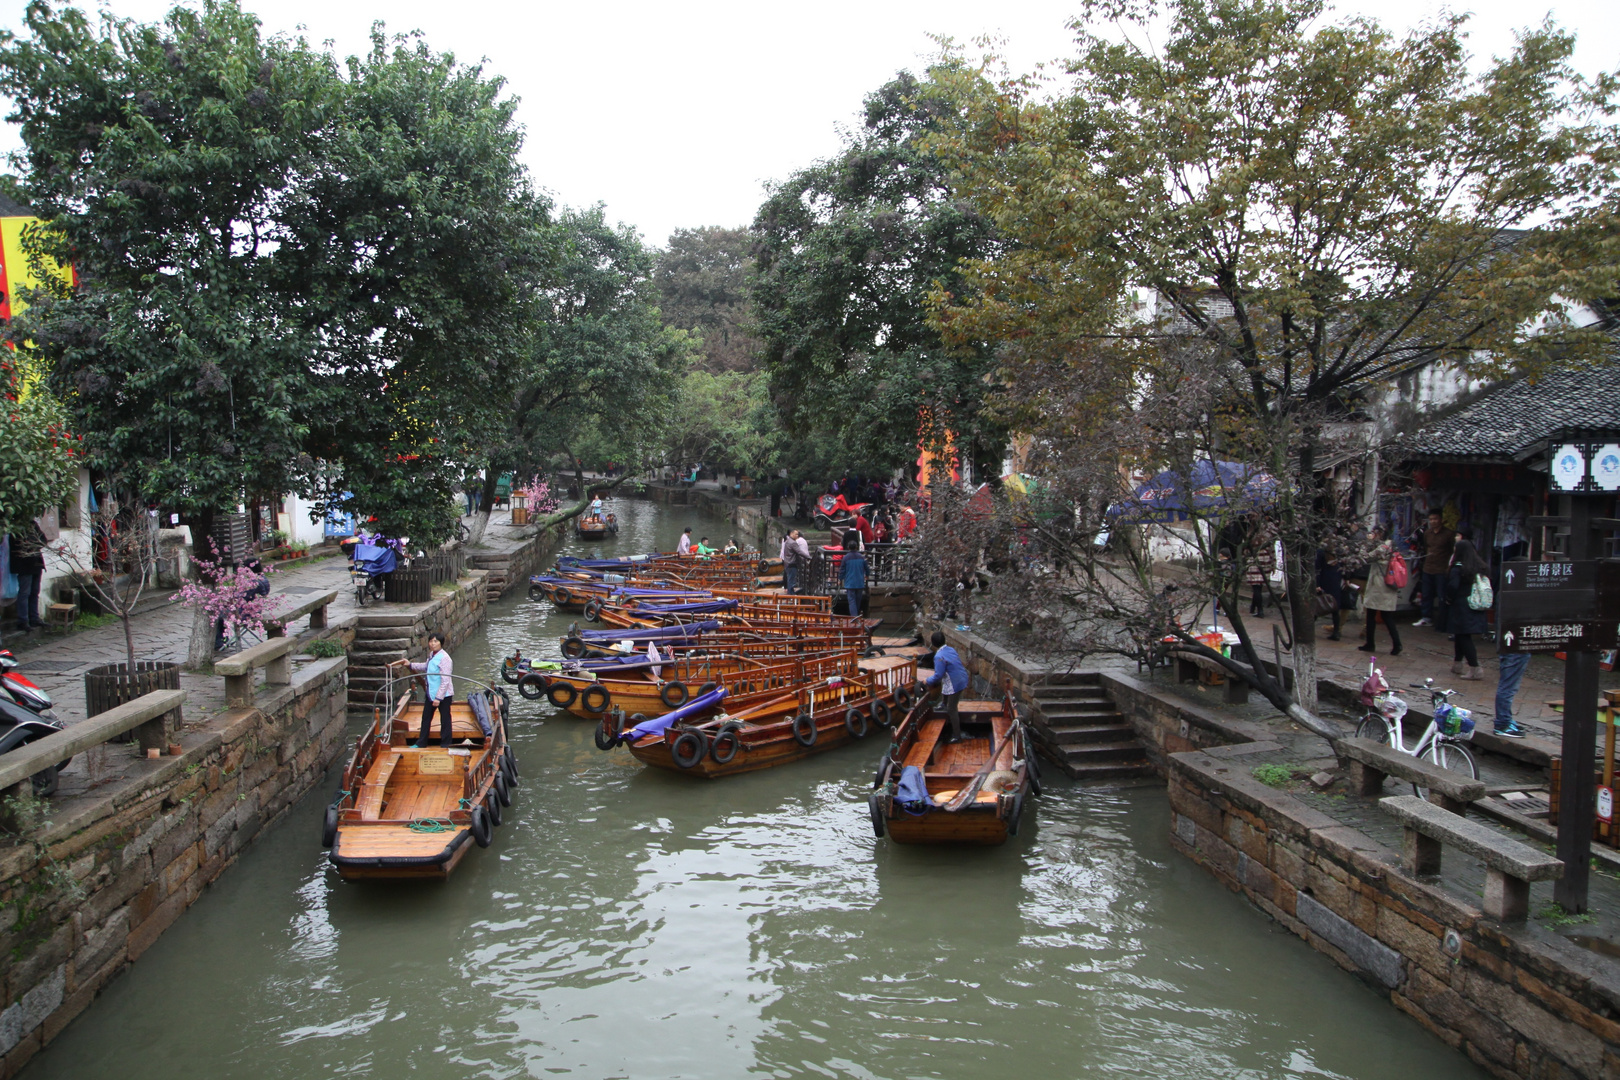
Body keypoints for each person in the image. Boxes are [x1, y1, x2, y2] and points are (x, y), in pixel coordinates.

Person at [1445, 538, 1490, 680]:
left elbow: (1453, 586)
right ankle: (1457, 664)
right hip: (1475, 605)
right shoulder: (1479, 566)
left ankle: (1475, 668)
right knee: (1460, 635)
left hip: (1461, 606)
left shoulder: (1458, 567)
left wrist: (1448, 598)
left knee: (1464, 636)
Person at [1357, 527, 1403, 656]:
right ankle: (1370, 643)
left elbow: (1364, 557)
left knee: (1385, 616)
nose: (1373, 535)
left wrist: (1366, 544)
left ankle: (1396, 644)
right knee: (1372, 614)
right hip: (1381, 586)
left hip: (1380, 586)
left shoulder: (1384, 547)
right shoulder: (1389, 546)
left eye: (1375, 533)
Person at [408, 631, 455, 748]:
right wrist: (410, 665)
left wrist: (439, 697)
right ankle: (421, 742)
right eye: (431, 641)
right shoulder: (432, 655)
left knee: (445, 719)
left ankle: (446, 743)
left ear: (441, 643)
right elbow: (426, 666)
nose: (432, 644)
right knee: (426, 717)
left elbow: (445, 680)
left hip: (444, 695)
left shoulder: (445, 658)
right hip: (431, 692)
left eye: (435, 641)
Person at [923, 629, 969, 743]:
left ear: (933, 643)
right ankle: (943, 703)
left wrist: (927, 681)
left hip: (956, 683)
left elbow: (938, 676)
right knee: (945, 683)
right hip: (962, 677)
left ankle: (957, 736)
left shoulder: (938, 657)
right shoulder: (951, 649)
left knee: (952, 709)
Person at [1411, 510, 1453, 627]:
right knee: (1426, 594)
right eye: (1431, 519)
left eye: (1435, 519)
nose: (1433, 521)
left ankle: (1443, 619)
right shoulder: (1427, 533)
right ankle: (1426, 617)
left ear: (1441, 520)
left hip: (1442, 569)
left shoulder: (1448, 534)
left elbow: (1451, 550)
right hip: (1428, 568)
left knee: (1442, 595)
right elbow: (1425, 548)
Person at [7, 522, 47, 632]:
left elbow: (43, 540)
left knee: (35, 592)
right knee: (24, 593)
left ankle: (34, 618)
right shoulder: (14, 529)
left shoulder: (32, 524)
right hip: (24, 566)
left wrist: (33, 545)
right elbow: (16, 547)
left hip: (36, 563)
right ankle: (23, 621)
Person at [1314, 547, 1344, 641]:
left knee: (1317, 604)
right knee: (1335, 607)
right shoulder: (1340, 549)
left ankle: (1308, 628)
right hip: (1336, 580)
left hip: (1325, 579)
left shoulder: (1321, 551)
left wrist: (1317, 584)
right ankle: (1336, 632)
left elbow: (1317, 568)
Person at [841, 531, 868, 617]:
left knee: (851, 601)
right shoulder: (862, 557)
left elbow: (842, 570)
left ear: (848, 547)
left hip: (850, 582)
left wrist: (840, 579)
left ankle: (854, 617)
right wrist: (867, 574)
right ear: (856, 547)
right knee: (858, 600)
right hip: (859, 582)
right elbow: (867, 568)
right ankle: (857, 615)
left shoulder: (846, 558)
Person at [780, 529, 810, 594]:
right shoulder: (793, 543)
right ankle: (791, 593)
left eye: (797, 534)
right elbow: (799, 551)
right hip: (791, 563)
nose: (797, 536)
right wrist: (808, 557)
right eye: (796, 534)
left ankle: (790, 591)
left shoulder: (788, 541)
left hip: (787, 562)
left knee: (789, 578)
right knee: (791, 579)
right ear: (792, 534)